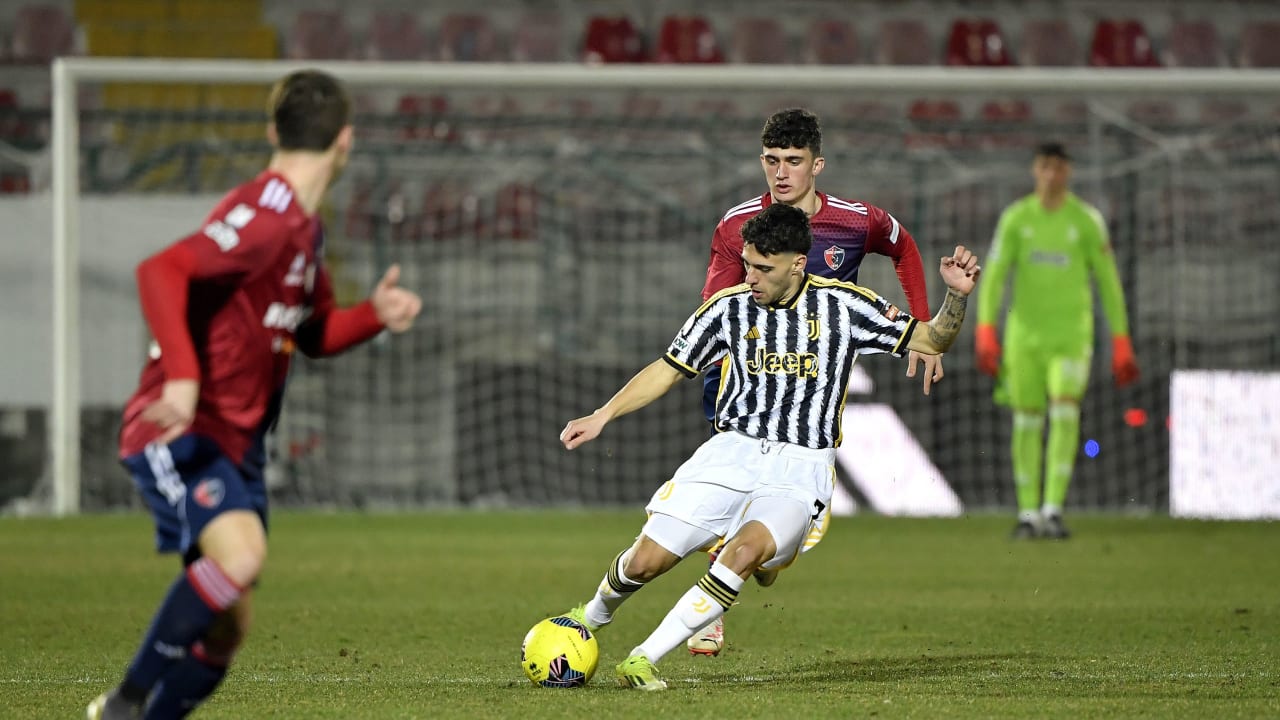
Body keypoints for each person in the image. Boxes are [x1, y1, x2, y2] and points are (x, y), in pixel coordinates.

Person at [87, 70, 423, 720]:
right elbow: (160, 271)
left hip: (236, 445)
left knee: (226, 628)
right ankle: (123, 706)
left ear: (273, 130)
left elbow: (317, 332)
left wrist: (374, 313)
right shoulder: (267, 218)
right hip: (183, 428)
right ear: (346, 142)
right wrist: (183, 376)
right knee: (241, 559)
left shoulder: (302, 227)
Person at [559, 203, 980, 690]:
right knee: (645, 562)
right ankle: (587, 620)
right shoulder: (728, 307)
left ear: (799, 263)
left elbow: (932, 339)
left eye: (764, 268)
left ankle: (643, 658)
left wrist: (956, 298)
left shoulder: (846, 307)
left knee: (742, 552)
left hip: (799, 468)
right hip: (731, 451)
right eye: (747, 264)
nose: (751, 277)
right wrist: (602, 414)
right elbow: (669, 366)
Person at [689, 106, 942, 655]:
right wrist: (712, 372)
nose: (781, 173)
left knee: (776, 542)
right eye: (772, 161)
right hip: (746, 380)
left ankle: (757, 559)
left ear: (817, 164)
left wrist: (921, 327)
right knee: (732, 493)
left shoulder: (855, 221)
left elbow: (905, 248)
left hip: (815, 392)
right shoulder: (738, 226)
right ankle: (707, 612)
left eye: (794, 161)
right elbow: (714, 303)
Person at [975, 141, 1139, 541]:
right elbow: (994, 277)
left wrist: (1121, 338)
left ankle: (1053, 510)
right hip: (1024, 339)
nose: (1052, 174)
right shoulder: (1016, 219)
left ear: (1068, 172)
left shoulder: (1085, 221)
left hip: (1070, 337)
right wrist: (985, 328)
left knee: (1065, 410)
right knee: (1027, 419)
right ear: (1036, 170)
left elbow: (1108, 282)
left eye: (1059, 167)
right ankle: (1029, 512)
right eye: (1046, 167)